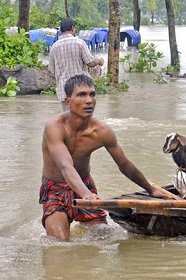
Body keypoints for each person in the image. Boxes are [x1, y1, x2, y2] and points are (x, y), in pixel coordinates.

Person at [39, 74, 171, 241]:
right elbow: (65, 166)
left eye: (92, 94)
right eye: (81, 95)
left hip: (85, 184)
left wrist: (151, 189)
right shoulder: (54, 127)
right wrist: (86, 195)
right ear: (68, 101)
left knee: (102, 238)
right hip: (55, 189)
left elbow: (124, 165)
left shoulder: (102, 131)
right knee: (59, 243)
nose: (89, 100)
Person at [48, 17, 104, 112]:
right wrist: (99, 61)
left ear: (61, 30)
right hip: (81, 89)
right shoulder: (80, 43)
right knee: (84, 118)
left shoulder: (54, 47)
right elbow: (90, 63)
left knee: (69, 119)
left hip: (64, 91)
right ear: (73, 28)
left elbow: (51, 70)